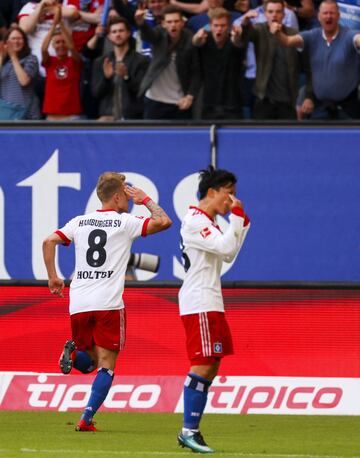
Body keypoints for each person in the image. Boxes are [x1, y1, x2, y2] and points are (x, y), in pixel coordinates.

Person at [42, 172, 172, 432]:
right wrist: (145, 198)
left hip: (78, 302)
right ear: (116, 197)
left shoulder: (79, 221)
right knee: (106, 366)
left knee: (89, 362)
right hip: (108, 304)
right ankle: (86, 419)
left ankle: (75, 354)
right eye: (126, 194)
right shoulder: (124, 222)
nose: (130, 198)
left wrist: (53, 277)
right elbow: (164, 221)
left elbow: (49, 241)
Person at [177, 165, 250, 453]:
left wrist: (240, 221)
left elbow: (228, 249)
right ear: (211, 192)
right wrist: (238, 218)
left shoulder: (209, 221)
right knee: (204, 363)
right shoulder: (195, 220)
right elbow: (226, 249)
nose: (231, 200)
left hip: (209, 300)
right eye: (228, 194)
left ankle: (192, 430)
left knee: (212, 364)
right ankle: (188, 430)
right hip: (200, 301)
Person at [271, 0, 360, 119]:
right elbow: (287, 41)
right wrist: (277, 33)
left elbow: (357, 39)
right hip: (320, 107)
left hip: (348, 108)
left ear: (338, 16)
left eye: (332, 13)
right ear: (318, 16)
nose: (328, 16)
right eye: (325, 13)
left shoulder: (349, 35)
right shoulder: (312, 36)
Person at [237, 0, 312, 120]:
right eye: (270, 12)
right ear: (265, 14)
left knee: (288, 138)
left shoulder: (294, 34)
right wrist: (245, 22)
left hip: (288, 102)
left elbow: (308, 68)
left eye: (278, 12)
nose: (274, 15)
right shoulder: (259, 30)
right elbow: (243, 39)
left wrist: (308, 95)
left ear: (284, 14)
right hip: (264, 100)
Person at [135, 4, 200, 120]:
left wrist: (190, 97)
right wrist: (141, 24)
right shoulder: (159, 33)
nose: (173, 25)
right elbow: (149, 36)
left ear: (182, 23)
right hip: (154, 100)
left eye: (176, 21)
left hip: (180, 101)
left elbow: (197, 72)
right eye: (169, 22)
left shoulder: (190, 38)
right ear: (163, 24)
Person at [91, 17, 149, 121]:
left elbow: (142, 91)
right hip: (107, 117)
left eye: (121, 31)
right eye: (114, 32)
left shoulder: (141, 60)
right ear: (109, 36)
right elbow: (96, 93)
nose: (118, 34)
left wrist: (126, 77)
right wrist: (106, 79)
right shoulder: (101, 62)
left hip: (133, 119)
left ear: (128, 33)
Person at [192, 8, 244, 119]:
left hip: (232, 104)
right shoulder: (205, 40)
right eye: (216, 25)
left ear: (229, 26)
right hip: (208, 103)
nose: (219, 29)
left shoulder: (234, 40)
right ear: (210, 26)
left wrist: (236, 38)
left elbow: (238, 44)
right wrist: (197, 37)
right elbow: (196, 42)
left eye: (223, 25)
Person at [41, 5, 83, 120]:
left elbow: (72, 47)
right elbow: (43, 49)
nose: (61, 45)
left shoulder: (74, 61)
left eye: (63, 42)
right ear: (53, 45)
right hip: (52, 115)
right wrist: (54, 25)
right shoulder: (50, 62)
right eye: (57, 42)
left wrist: (60, 23)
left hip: (71, 115)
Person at [0, 25, 40, 119]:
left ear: (25, 42)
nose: (16, 42)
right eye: (13, 39)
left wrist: (13, 57)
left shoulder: (31, 59)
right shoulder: (3, 62)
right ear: (6, 43)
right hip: (7, 115)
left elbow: (24, 81)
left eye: (20, 39)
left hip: (27, 115)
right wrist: (2, 56)